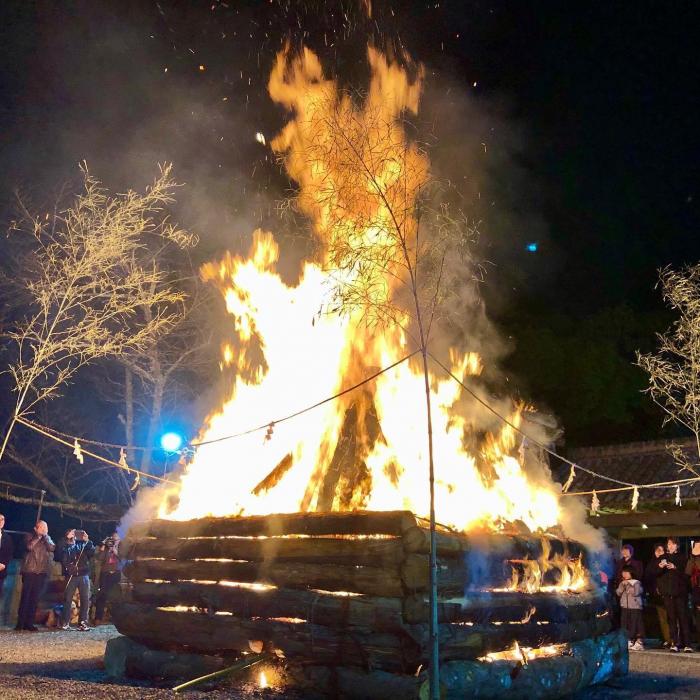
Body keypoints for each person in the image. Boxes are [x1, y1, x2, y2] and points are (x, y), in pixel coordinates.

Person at [16, 520, 55, 631]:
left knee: (34, 599)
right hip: (29, 571)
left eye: (45, 527)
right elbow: (29, 547)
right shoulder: (29, 536)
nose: (44, 529)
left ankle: (29, 623)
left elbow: (52, 548)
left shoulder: (47, 539)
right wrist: (38, 537)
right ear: (36, 528)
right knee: (25, 597)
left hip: (41, 572)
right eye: (42, 527)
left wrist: (46, 536)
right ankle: (20, 623)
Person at [655, 537, 692, 652]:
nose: (670, 546)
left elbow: (686, 576)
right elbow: (654, 574)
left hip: (680, 593)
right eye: (669, 544)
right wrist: (659, 567)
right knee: (671, 619)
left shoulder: (682, 558)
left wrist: (675, 568)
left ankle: (687, 644)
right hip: (668, 593)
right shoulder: (663, 558)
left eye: (673, 544)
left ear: (677, 546)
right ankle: (674, 643)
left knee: (683, 618)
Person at [59, 528, 95, 631]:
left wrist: (87, 540)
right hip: (71, 575)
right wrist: (68, 540)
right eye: (72, 532)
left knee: (85, 599)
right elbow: (63, 556)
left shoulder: (82, 544)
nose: (74, 534)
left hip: (83, 574)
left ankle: (82, 622)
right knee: (68, 598)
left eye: (75, 533)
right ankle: (65, 622)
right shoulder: (65, 544)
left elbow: (91, 552)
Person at [645, 543, 672, 647]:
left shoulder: (666, 561)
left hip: (667, 593)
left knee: (671, 617)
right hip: (656, 595)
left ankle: (673, 638)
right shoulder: (651, 563)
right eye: (657, 550)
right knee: (662, 618)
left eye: (661, 550)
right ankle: (666, 638)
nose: (659, 552)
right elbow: (648, 575)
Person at [94, 531, 122, 624]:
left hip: (116, 574)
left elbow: (123, 559)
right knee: (102, 595)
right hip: (105, 574)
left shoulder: (121, 547)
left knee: (115, 596)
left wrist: (115, 551)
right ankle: (98, 618)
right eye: (113, 538)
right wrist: (104, 545)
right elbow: (99, 558)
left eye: (116, 538)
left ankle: (115, 618)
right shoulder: (106, 547)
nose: (114, 540)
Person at [617, 565, 645, 650]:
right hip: (625, 606)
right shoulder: (622, 582)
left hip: (635, 606)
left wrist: (629, 585)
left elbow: (636, 592)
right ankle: (628, 640)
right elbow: (618, 592)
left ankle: (639, 642)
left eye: (626, 572)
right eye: (623, 572)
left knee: (635, 623)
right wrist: (622, 585)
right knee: (625, 623)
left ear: (631, 573)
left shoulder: (636, 582)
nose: (624, 574)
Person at [685, 541, 700, 647]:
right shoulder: (692, 559)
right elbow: (688, 572)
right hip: (696, 591)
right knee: (697, 618)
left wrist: (696, 556)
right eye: (696, 546)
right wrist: (693, 556)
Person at [0, 513, 14, 595]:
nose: (1, 521)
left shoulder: (7, 538)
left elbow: (9, 553)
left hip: (1, 571)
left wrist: (3, 564)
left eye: (2, 520)